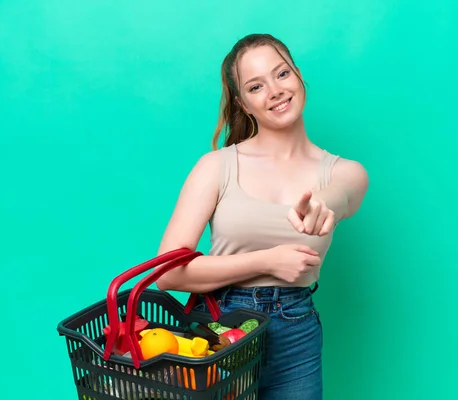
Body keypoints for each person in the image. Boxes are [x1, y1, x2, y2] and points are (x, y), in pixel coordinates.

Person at [155, 33, 369, 399]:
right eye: (256, 86)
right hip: (219, 331)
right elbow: (167, 272)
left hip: (295, 332)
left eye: (282, 74)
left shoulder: (344, 172)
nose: (275, 91)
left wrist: (324, 204)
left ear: (299, 76)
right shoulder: (216, 167)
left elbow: (341, 195)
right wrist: (269, 260)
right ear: (243, 103)